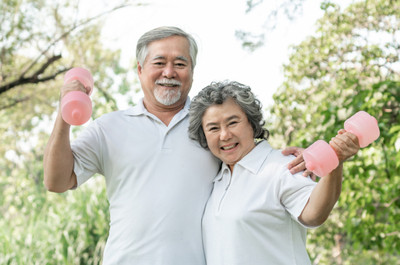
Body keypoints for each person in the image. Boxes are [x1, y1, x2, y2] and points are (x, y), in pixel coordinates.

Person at [43, 26, 309, 265]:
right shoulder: (108, 128)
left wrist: (299, 159)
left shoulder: (211, 126)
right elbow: (56, 181)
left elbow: (256, 161)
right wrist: (65, 113)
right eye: (159, 62)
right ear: (140, 69)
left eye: (180, 63)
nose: (169, 72)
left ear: (192, 71)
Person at [188, 81, 360, 265]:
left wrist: (335, 162)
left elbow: (314, 214)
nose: (224, 135)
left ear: (252, 124)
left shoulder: (283, 166)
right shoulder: (216, 179)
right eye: (213, 128)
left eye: (233, 123)